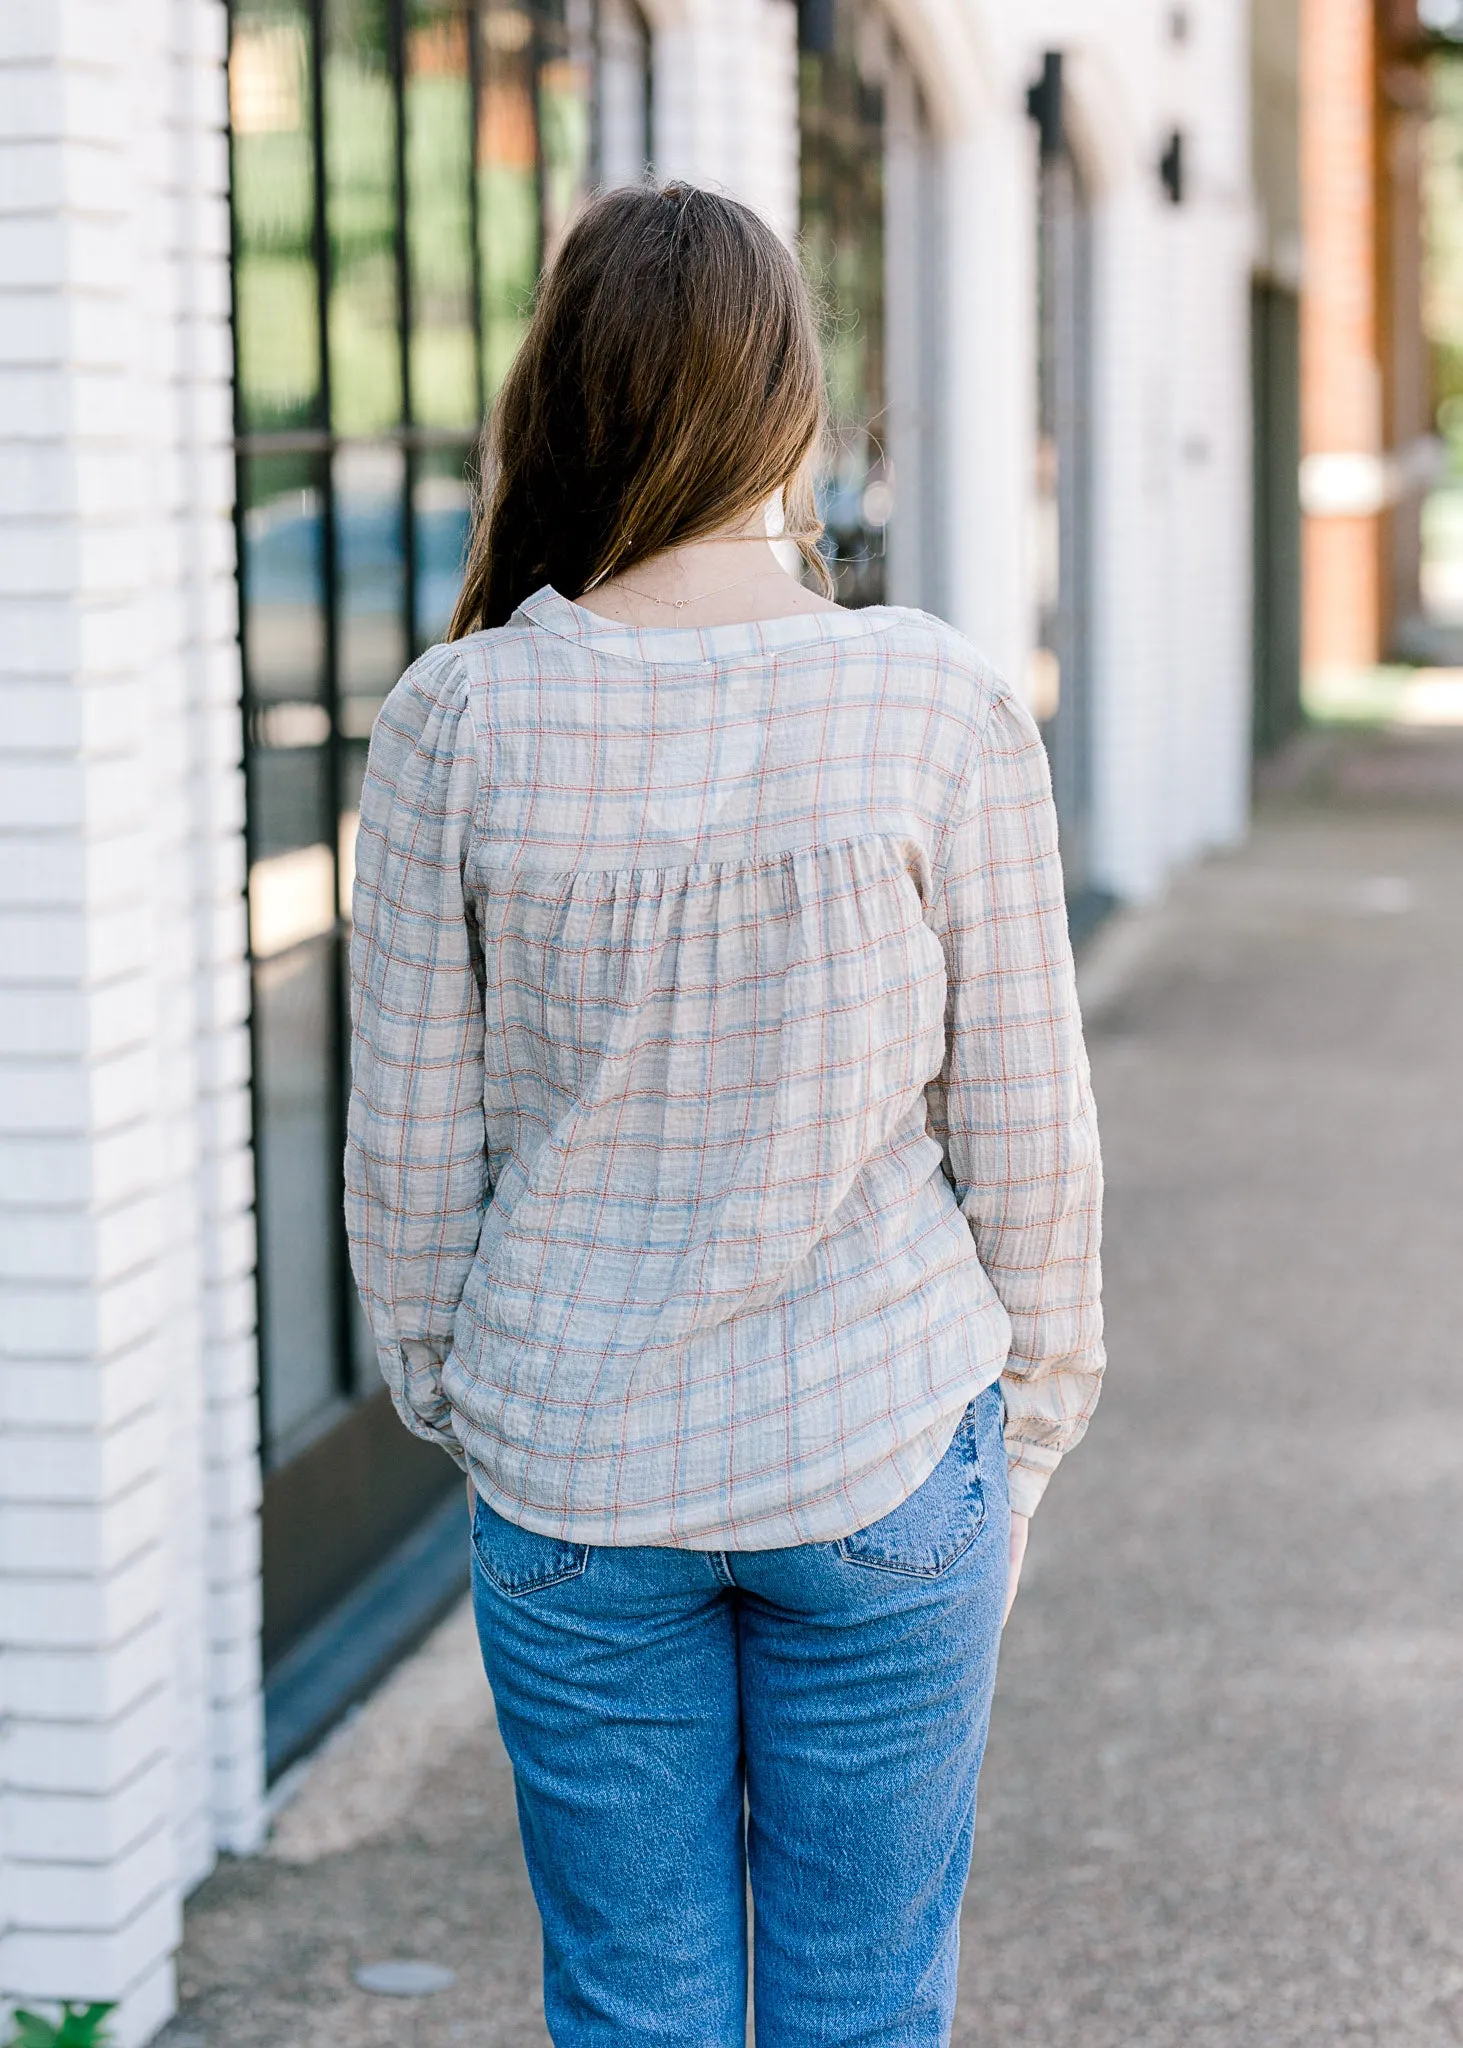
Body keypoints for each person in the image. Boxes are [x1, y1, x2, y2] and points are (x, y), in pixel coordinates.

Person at [345, 181, 1103, 2048]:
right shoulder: (929, 698)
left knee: (630, 2013)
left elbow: (406, 1159)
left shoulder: (458, 719)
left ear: (564, 397)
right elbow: (1031, 1132)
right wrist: (1028, 1434)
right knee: (862, 2010)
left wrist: (482, 1407)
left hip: (574, 1476)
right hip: (882, 1448)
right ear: (787, 405)